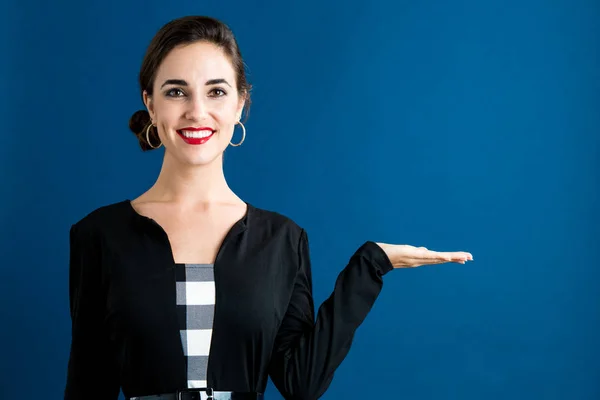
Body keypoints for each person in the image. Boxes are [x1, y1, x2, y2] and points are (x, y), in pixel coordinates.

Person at [64, 15, 473, 400]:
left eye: (216, 91)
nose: (196, 111)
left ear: (240, 103)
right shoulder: (99, 235)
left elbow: (301, 383)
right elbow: (87, 383)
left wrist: (371, 266)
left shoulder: (282, 240)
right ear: (151, 103)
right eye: (176, 92)